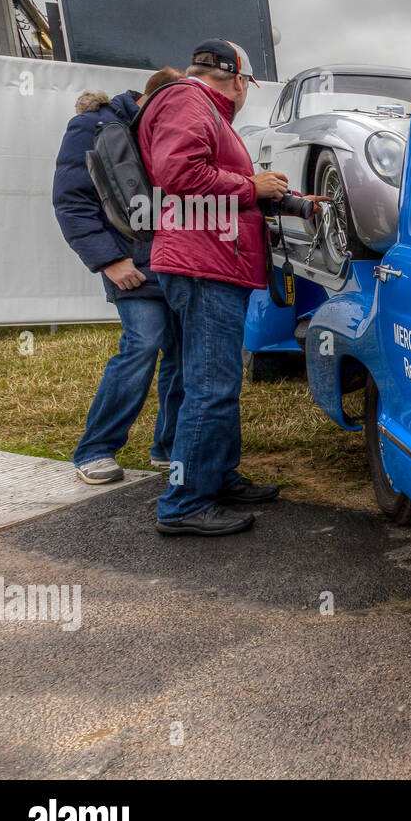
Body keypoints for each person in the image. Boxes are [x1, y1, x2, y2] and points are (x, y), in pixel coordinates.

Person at [138, 39, 301, 536]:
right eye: (249, 84)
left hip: (205, 260)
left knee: (210, 381)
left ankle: (216, 476)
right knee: (212, 387)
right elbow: (179, 173)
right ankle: (185, 502)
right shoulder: (190, 101)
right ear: (236, 79)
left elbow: (194, 176)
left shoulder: (193, 104)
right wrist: (253, 186)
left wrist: (268, 193)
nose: (246, 93)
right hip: (204, 265)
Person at [54, 67, 184, 485]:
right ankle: (95, 450)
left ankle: (169, 449)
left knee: (181, 355)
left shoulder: (164, 126)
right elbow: (72, 201)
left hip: (175, 262)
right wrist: (109, 261)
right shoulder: (92, 126)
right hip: (130, 265)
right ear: (153, 99)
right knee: (142, 347)